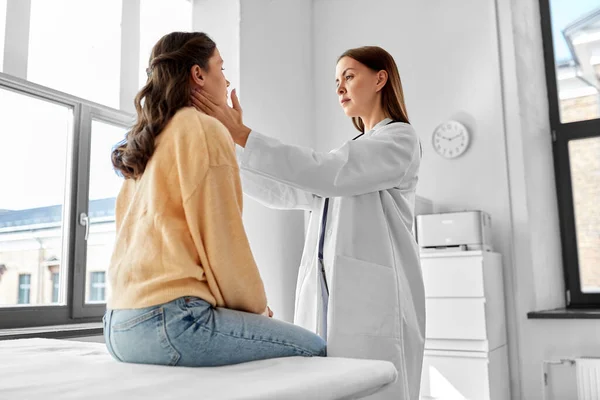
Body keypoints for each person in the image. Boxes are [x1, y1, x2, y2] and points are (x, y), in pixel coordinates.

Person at [190, 46, 425, 399]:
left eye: (349, 76)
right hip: (330, 296)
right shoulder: (350, 154)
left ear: (380, 78)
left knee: (372, 388)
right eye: (336, 81)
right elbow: (288, 192)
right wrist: (230, 144)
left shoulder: (399, 140)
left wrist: (242, 134)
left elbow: (327, 172)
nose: (340, 88)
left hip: (375, 300)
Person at [103, 31, 326, 368]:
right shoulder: (203, 130)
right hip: (170, 322)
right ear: (198, 74)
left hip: (118, 326)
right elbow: (223, 240)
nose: (225, 81)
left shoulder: (146, 139)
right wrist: (257, 310)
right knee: (316, 349)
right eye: (221, 69)